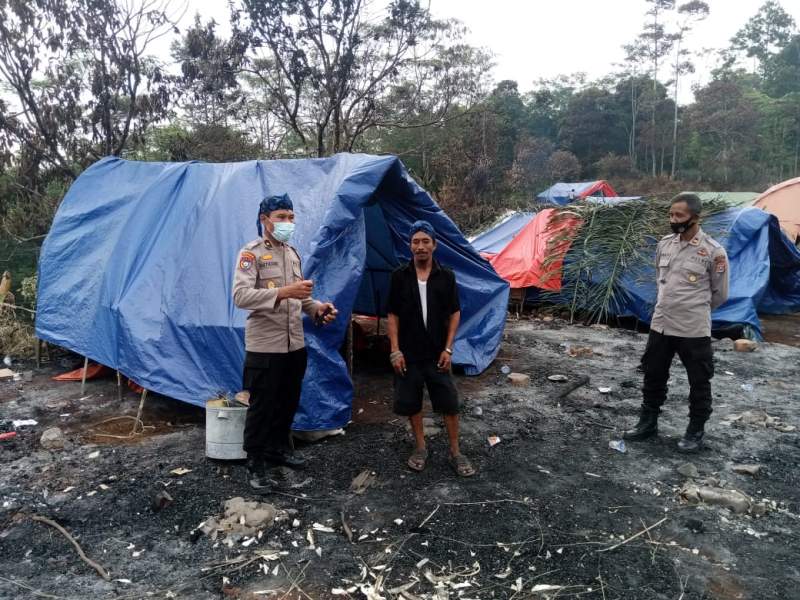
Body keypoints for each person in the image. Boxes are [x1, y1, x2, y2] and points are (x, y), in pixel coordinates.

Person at [232, 193, 338, 492]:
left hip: (295, 344)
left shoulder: (292, 253)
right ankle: (254, 461)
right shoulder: (250, 254)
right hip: (265, 345)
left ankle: (277, 449)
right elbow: (240, 297)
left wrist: (317, 308)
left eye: (291, 217)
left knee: (288, 401)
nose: (287, 223)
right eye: (281, 217)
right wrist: (282, 292)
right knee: (262, 406)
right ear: (265, 220)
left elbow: (300, 297)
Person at [624, 193, 729, 453]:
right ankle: (647, 423)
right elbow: (661, 280)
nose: (673, 220)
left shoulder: (713, 251)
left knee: (699, 380)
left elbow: (720, 294)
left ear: (695, 217)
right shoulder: (665, 245)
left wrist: (692, 309)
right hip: (661, 324)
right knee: (653, 375)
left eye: (679, 215)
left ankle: (695, 431)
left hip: (693, 328)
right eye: (671, 214)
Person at [387, 220, 476, 477]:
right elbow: (393, 315)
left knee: (449, 402)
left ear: (435, 245)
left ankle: (455, 452)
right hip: (409, 353)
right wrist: (395, 349)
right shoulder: (399, 276)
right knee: (412, 402)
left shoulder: (446, 276)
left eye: (426, 241)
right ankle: (420, 447)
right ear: (410, 246)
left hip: (438, 353)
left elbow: (455, 313)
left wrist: (448, 349)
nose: (420, 246)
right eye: (415, 241)